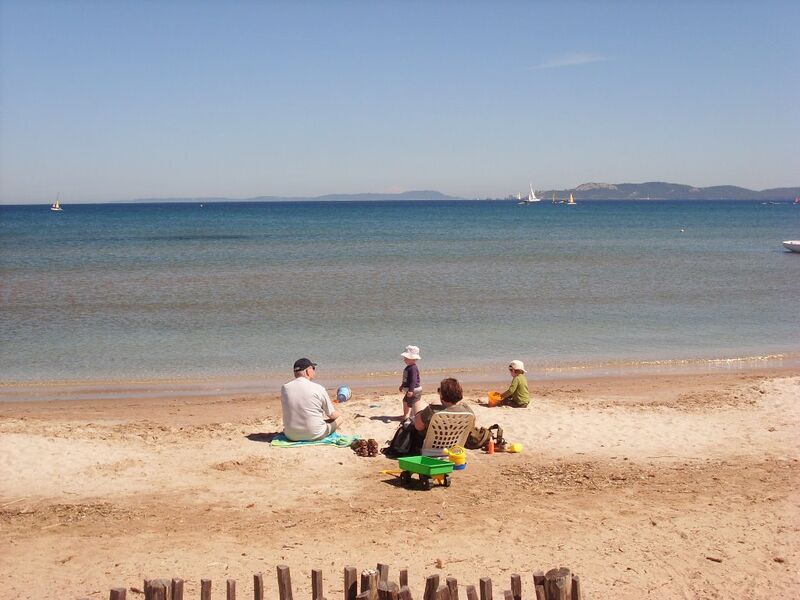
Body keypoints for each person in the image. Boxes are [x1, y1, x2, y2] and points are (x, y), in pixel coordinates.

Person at [281, 357, 344, 441]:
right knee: (340, 419)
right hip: (315, 434)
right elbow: (331, 414)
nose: (314, 371)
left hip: (290, 435)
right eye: (313, 368)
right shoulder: (319, 388)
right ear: (308, 371)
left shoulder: (285, 388)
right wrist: (340, 415)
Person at [398, 345, 422, 420]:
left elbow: (413, 380)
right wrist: (402, 385)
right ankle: (405, 415)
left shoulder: (413, 368)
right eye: (405, 358)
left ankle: (414, 417)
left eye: (406, 358)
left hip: (415, 390)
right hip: (410, 389)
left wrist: (411, 390)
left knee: (414, 404)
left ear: (413, 359)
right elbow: (406, 379)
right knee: (405, 402)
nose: (404, 359)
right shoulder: (408, 367)